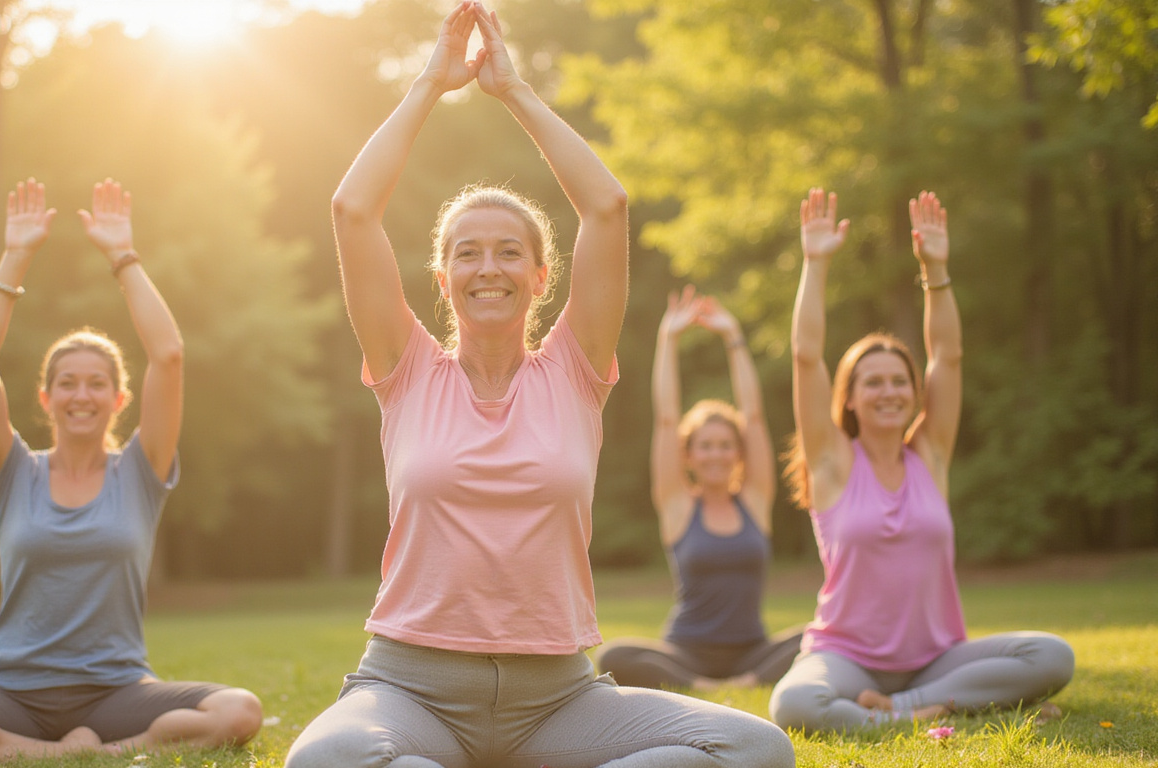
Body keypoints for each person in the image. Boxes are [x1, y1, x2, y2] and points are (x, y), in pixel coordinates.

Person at [284, 4, 793, 767]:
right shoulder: (407, 370)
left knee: (756, 749)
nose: (488, 267)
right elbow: (353, 210)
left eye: (508, 251)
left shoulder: (576, 370)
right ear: (442, 276)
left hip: (559, 699)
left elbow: (607, 205)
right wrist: (431, 81)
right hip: (412, 688)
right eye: (466, 253)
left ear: (540, 274)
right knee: (323, 761)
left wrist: (513, 90)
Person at [0, 178, 262, 763]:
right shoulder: (12, 472)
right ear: (46, 397)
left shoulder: (140, 472)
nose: (81, 394)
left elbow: (170, 355)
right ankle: (59, 752)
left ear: (118, 399)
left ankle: (82, 749)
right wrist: (17, 253)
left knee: (240, 710)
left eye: (97, 383)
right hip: (9, 690)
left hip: (117, 692)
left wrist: (123, 257)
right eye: (67, 383)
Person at [768, 188, 1074, 731]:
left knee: (1052, 656)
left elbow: (948, 357)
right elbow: (805, 355)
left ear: (914, 392)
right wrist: (815, 264)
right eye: (873, 383)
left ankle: (909, 709)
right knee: (792, 703)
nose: (888, 392)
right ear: (851, 398)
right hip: (845, 658)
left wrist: (935, 270)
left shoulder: (930, 455)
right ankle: (952, 706)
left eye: (899, 381)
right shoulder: (833, 463)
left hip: (937, 657)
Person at [596, 287, 801, 691]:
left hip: (753, 649)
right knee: (613, 655)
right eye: (705, 446)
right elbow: (668, 420)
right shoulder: (677, 507)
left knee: (820, 637)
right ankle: (706, 684)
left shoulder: (755, 502)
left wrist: (733, 338)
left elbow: (755, 418)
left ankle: (746, 680)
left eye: (726, 445)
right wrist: (668, 340)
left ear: (739, 454)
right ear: (687, 455)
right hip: (686, 652)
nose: (716, 455)